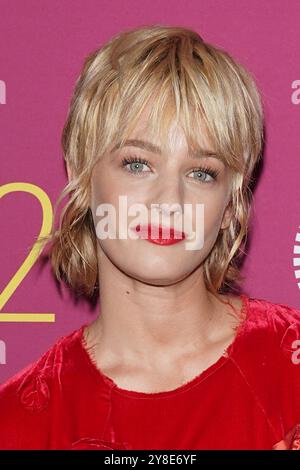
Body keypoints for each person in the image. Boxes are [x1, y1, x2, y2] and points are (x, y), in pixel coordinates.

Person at [0, 24, 299, 451]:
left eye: (201, 172)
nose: (169, 200)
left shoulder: (291, 368)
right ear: (80, 172)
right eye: (138, 164)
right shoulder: (19, 423)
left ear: (231, 201)